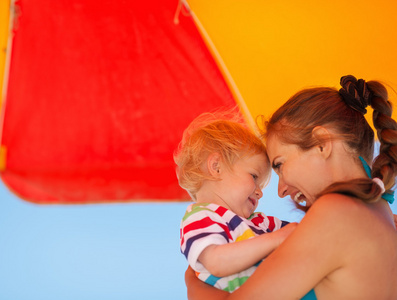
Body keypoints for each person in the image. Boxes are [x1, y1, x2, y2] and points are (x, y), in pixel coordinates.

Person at [185, 75, 397, 299]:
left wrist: (192, 282)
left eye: (280, 164)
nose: (281, 190)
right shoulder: (381, 213)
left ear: (322, 144)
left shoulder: (336, 212)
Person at [174, 111, 297, 292]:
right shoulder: (200, 217)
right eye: (254, 176)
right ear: (216, 167)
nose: (259, 193)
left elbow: (302, 234)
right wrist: (276, 239)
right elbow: (217, 262)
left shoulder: (260, 222)